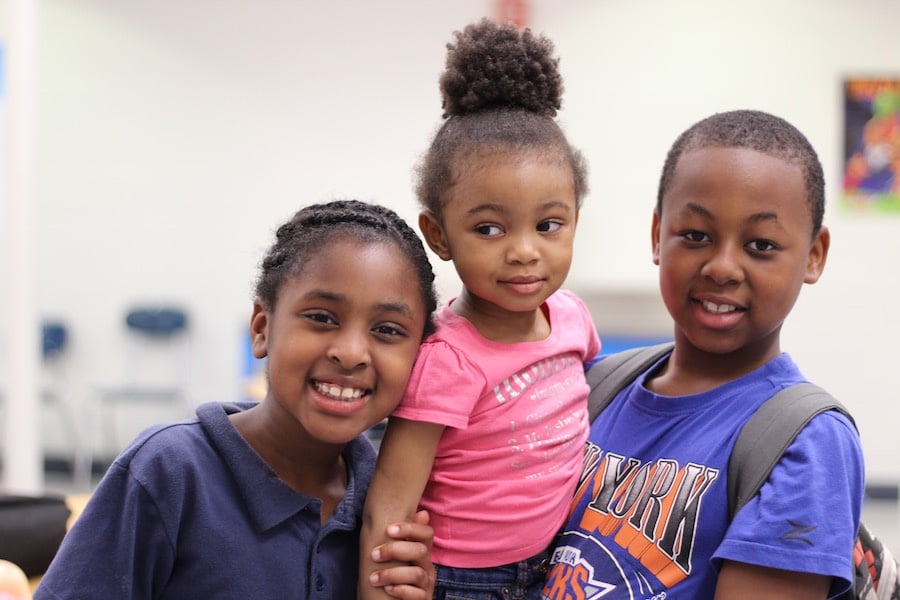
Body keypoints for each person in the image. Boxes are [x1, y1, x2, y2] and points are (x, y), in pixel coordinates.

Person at [35, 200, 440, 600]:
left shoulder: (393, 509)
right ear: (262, 328)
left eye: (387, 329)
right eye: (321, 317)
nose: (350, 352)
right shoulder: (168, 472)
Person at [542, 110, 865, 599]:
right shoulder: (590, 387)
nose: (722, 267)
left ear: (814, 256)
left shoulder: (806, 441)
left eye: (760, 245)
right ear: (657, 235)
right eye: (696, 236)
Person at [359, 18, 600, 600]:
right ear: (438, 236)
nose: (524, 251)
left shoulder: (571, 318)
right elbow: (390, 503)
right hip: (461, 580)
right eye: (489, 228)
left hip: (557, 561)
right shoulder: (448, 359)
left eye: (548, 225)